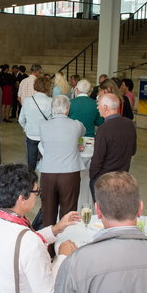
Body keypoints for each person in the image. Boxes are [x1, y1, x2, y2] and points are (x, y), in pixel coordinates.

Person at [0, 163, 79, 293]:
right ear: (22, 198)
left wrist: (56, 228)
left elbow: (17, 247)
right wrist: (63, 257)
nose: (38, 195)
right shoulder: (28, 242)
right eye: (36, 192)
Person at [38, 95, 85, 250]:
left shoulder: (43, 125)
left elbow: (45, 144)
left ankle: (49, 250)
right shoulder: (76, 125)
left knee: (48, 213)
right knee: (68, 213)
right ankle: (65, 250)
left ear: (52, 109)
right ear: (67, 109)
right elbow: (82, 134)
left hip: (48, 174)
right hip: (69, 174)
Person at [89, 93, 136, 201]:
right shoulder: (130, 124)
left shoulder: (103, 129)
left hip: (105, 180)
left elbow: (97, 160)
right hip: (123, 177)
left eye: (98, 105)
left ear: (105, 107)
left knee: (103, 212)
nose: (97, 107)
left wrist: (93, 177)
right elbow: (133, 151)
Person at [18, 76, 53, 171]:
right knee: (46, 159)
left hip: (31, 135)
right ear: (48, 86)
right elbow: (53, 120)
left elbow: (21, 119)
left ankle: (31, 180)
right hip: (46, 135)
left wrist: (26, 128)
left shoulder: (28, 100)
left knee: (31, 161)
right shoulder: (51, 101)